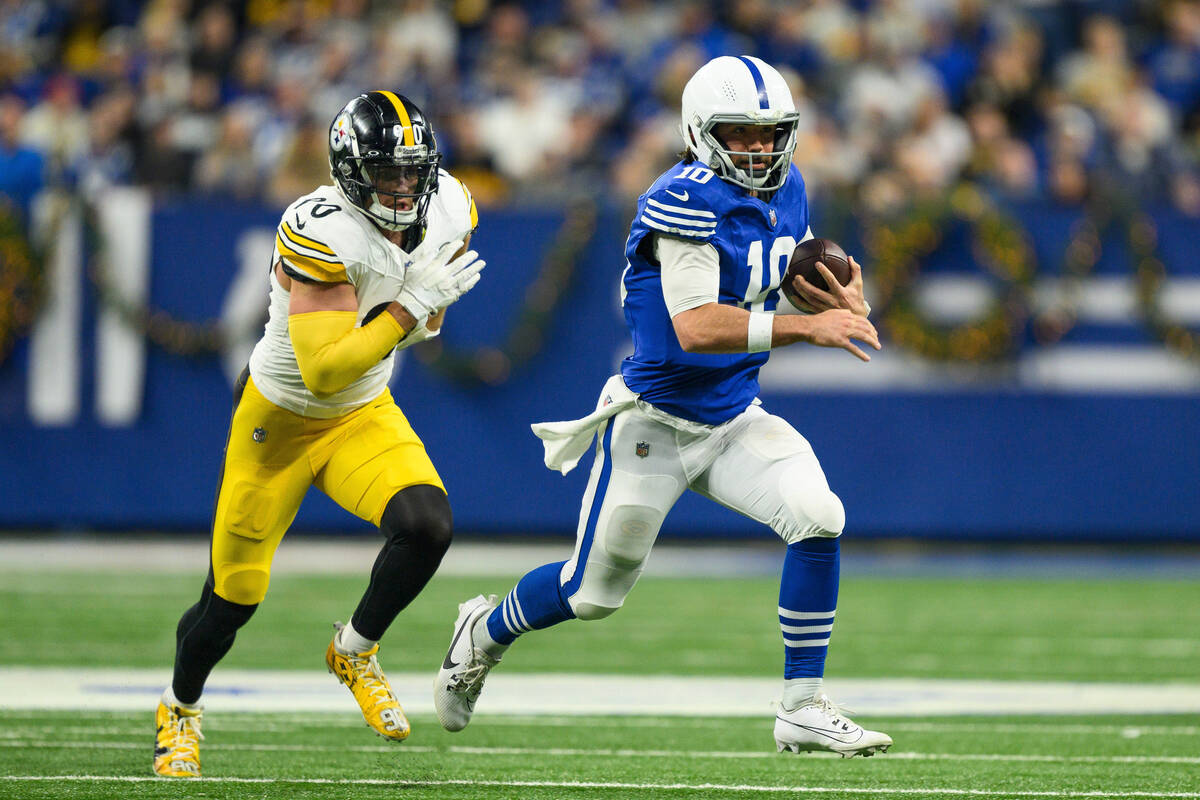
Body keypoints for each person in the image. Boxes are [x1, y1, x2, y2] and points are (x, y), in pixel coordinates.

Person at [433, 56, 892, 757]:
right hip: (653, 423)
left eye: (772, 135)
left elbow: (772, 265)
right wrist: (806, 326)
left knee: (819, 516)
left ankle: (802, 707)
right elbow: (696, 327)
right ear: (702, 131)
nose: (761, 150)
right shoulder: (681, 197)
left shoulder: (791, 185)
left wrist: (824, 285)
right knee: (591, 593)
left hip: (735, 415)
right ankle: (484, 632)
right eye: (742, 134)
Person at [154, 90, 484, 778]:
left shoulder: (451, 204)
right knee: (230, 601)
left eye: (410, 170)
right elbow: (325, 370)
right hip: (279, 424)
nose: (401, 185)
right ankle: (179, 707)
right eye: (384, 172)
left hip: (362, 415)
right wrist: (409, 306)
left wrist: (419, 311)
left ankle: (355, 649)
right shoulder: (322, 226)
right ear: (346, 170)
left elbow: (425, 330)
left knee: (427, 524)